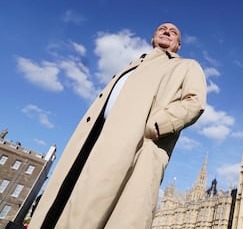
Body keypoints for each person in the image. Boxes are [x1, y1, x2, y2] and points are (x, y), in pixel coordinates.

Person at [29, 22, 207, 228]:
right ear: (152, 38)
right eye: (161, 29)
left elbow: (195, 102)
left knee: (109, 210)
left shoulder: (185, 65)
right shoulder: (134, 65)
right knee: (65, 199)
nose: (167, 31)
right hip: (95, 139)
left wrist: (157, 125)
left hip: (138, 145)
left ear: (178, 45)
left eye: (173, 32)